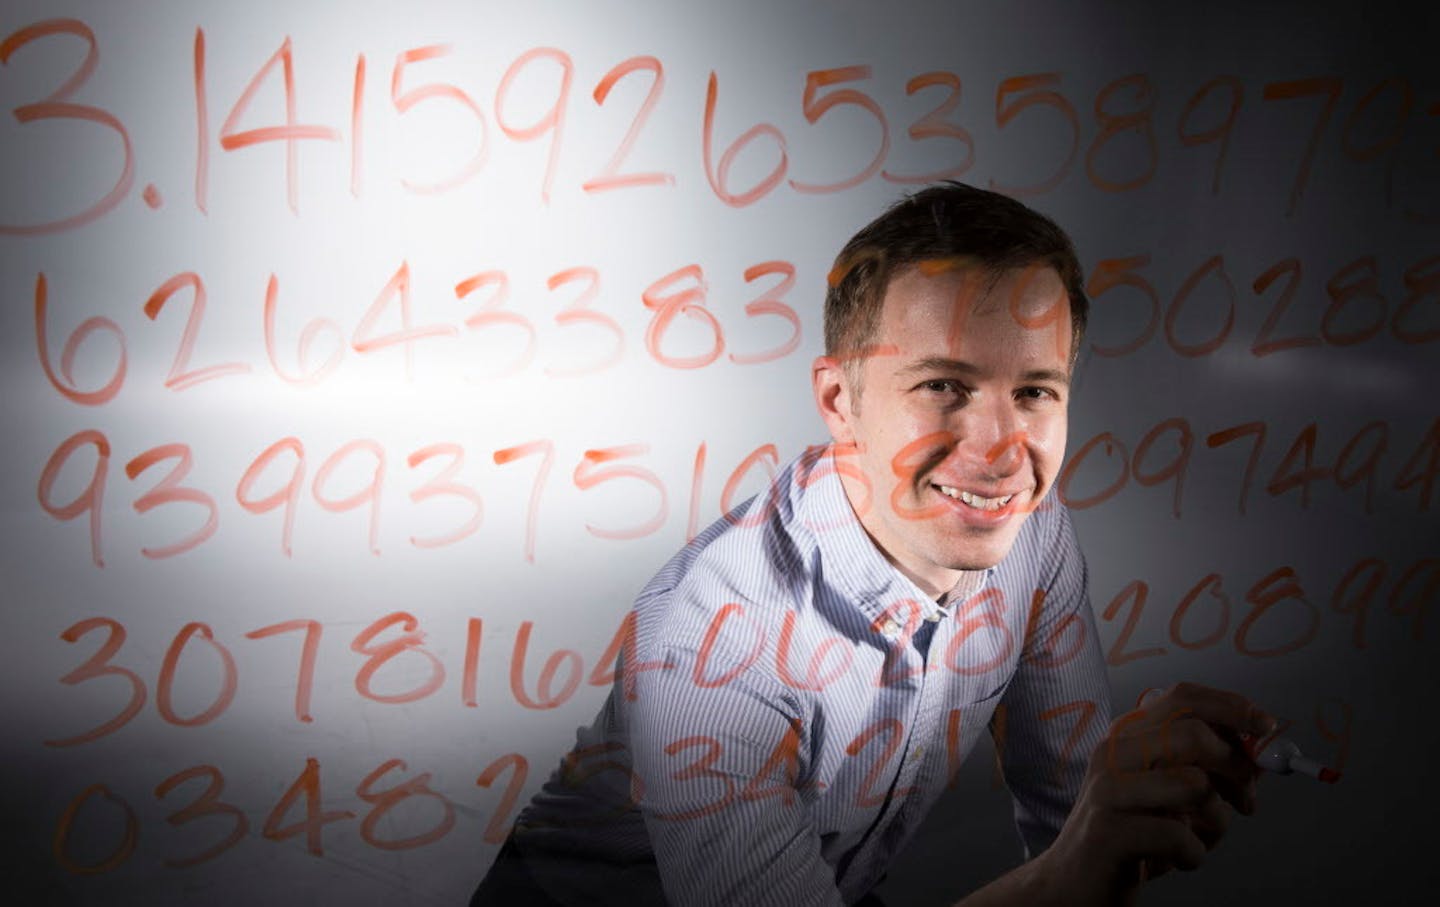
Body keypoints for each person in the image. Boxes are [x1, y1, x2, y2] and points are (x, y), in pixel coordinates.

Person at [471, 182, 1276, 906]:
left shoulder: (1033, 533)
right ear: (838, 399)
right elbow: (1073, 865)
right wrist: (1077, 867)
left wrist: (1125, 811)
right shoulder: (705, 646)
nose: (1001, 452)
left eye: (1033, 391)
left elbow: (1079, 822)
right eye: (944, 387)